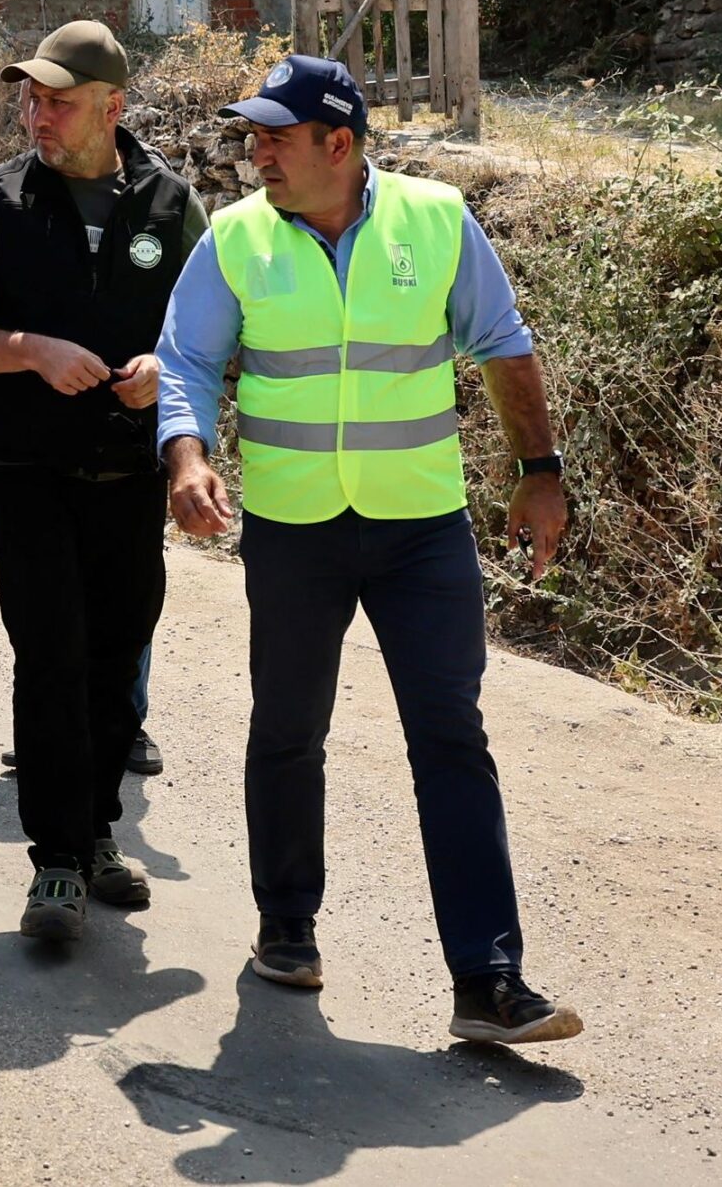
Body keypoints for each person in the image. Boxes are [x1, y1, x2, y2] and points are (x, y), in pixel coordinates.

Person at [156, 53, 580, 1046]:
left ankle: (487, 975)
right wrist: (186, 455)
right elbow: (184, 359)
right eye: (251, 133)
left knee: (449, 737)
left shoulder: (434, 221)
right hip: (296, 530)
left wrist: (541, 467)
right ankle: (287, 922)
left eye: (274, 135)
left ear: (336, 144)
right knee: (288, 728)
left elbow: (502, 342)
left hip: (418, 529)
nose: (254, 151)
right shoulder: (233, 240)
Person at [0, 21, 205, 944]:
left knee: (117, 647)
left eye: (57, 101)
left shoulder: (173, 205)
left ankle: (94, 835)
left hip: (130, 467)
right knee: (49, 652)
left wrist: (162, 374)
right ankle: (54, 859)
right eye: (30, 99)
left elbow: (205, 339)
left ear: (112, 107)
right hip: (29, 467)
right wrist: (31, 352)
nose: (36, 115)